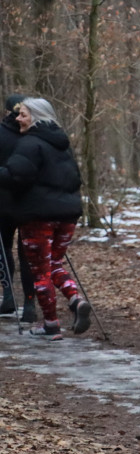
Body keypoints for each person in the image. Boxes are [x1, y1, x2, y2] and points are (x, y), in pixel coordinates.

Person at [0, 97, 91, 341]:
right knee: (54, 264)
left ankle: (51, 324)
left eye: (23, 114)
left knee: (40, 271)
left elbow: (16, 176)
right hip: (68, 214)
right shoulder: (62, 143)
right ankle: (75, 299)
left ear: (37, 117)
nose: (17, 118)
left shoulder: (30, 143)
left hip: (39, 217)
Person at [0, 94, 37, 322]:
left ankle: (8, 296)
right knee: (27, 255)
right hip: (29, 204)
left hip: (4, 204)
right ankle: (30, 303)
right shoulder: (33, 133)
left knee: (3, 251)